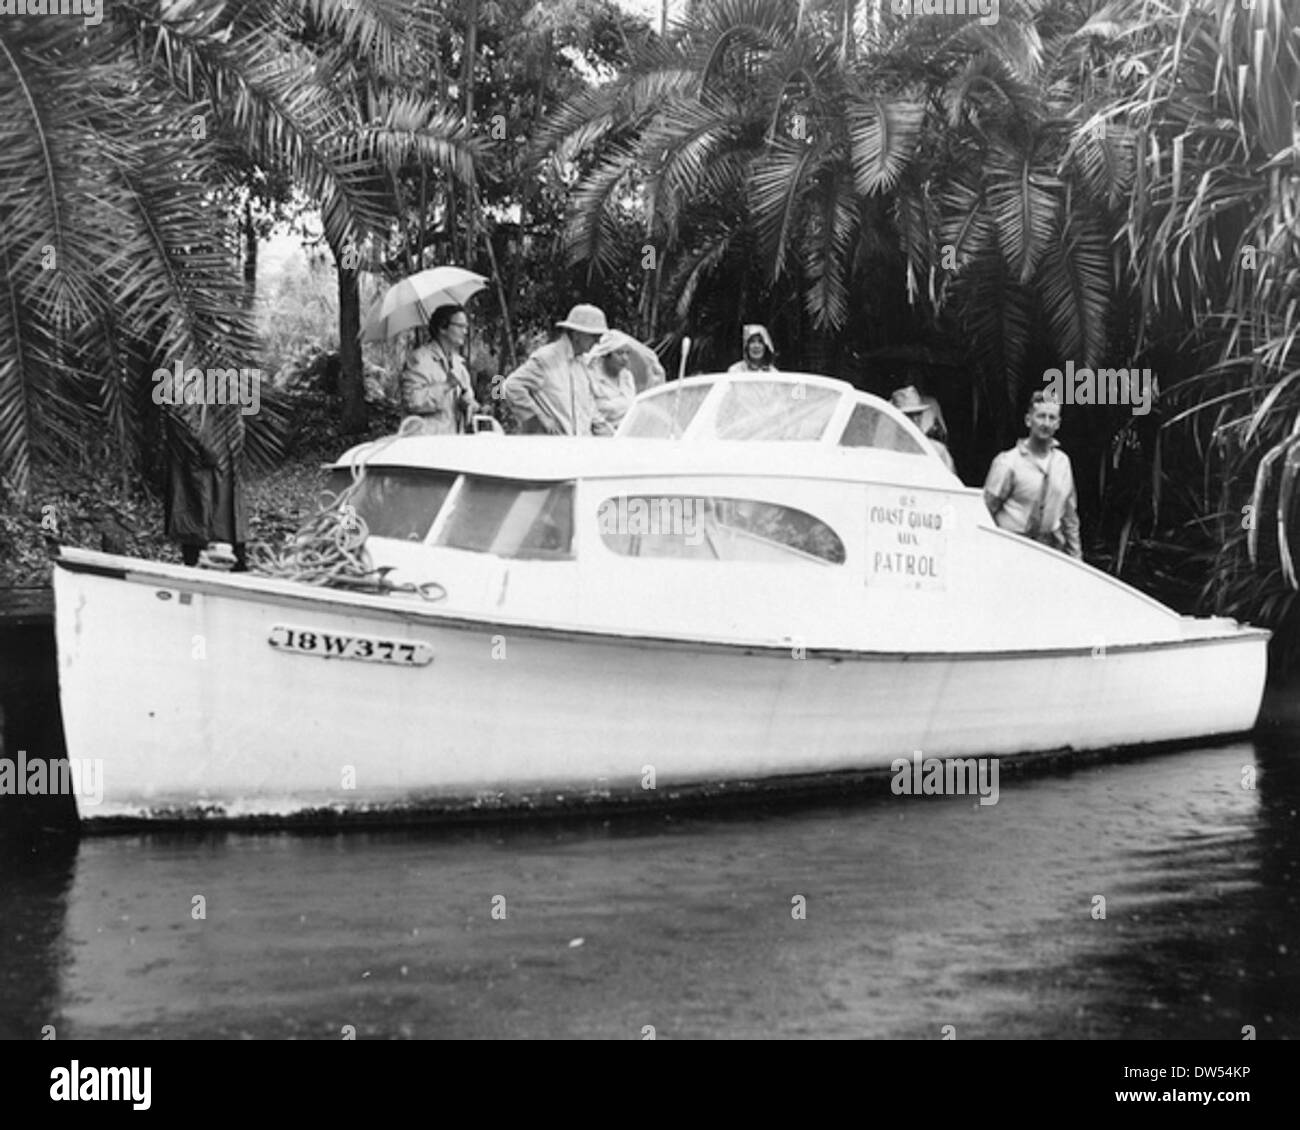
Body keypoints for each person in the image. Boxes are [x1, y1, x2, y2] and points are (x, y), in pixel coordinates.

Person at [983, 390, 1082, 558]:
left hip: (1049, 549)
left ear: (1058, 423)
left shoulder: (1062, 463)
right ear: (1029, 420)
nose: (1046, 423)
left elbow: (1069, 516)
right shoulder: (1008, 462)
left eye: (1052, 418)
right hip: (1011, 547)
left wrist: (1076, 558)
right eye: (1041, 416)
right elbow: (985, 510)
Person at [502, 304, 615, 436]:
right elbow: (511, 386)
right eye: (593, 336)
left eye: (599, 337)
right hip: (549, 447)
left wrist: (611, 434)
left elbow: (589, 409)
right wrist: (540, 417)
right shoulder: (547, 358)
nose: (597, 342)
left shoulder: (582, 364)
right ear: (577, 334)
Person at [165, 401, 249, 571]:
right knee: (198, 518)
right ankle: (199, 566)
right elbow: (180, 416)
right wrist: (202, 447)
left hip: (226, 456)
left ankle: (234, 567)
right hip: (201, 461)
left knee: (227, 520)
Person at [399, 304, 477, 435]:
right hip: (426, 443)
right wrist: (446, 386)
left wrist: (469, 405)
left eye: (466, 327)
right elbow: (412, 401)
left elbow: (468, 403)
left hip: (452, 443)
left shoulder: (459, 364)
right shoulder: (419, 359)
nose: (465, 331)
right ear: (442, 328)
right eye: (460, 326)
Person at [891, 385, 956, 474]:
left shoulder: (937, 451)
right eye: (909, 415)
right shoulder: (887, 450)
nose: (915, 419)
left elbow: (951, 483)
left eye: (918, 414)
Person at [587, 330, 640, 431]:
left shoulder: (627, 377)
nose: (625, 358)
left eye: (627, 353)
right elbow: (593, 416)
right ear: (606, 355)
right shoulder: (591, 377)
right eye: (619, 353)